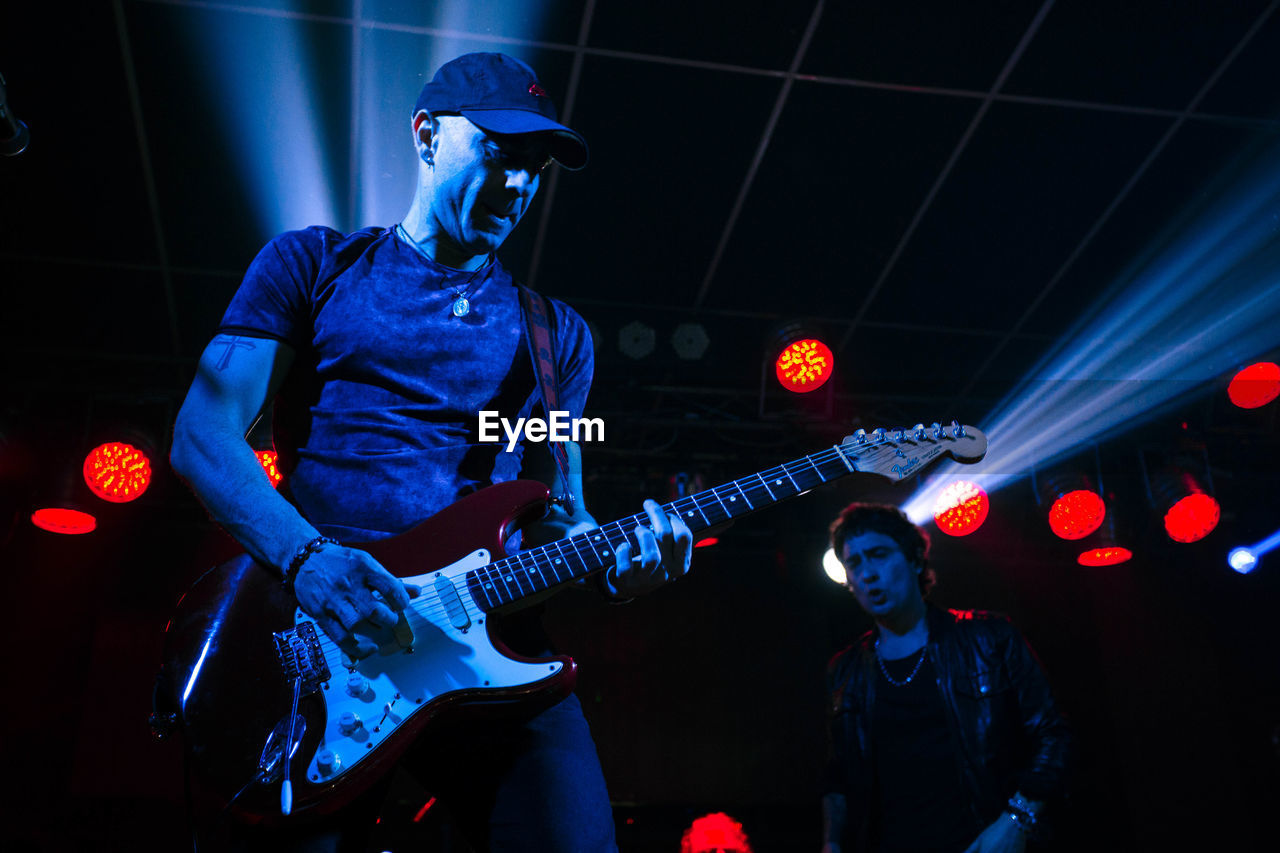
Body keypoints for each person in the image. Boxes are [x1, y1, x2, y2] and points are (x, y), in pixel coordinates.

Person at [170, 51, 693, 851]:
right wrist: (310, 560)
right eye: (498, 153)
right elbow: (202, 437)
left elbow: (562, 514)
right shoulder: (312, 265)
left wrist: (623, 562)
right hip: (326, 633)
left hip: (489, 642)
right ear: (426, 135)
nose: (518, 185)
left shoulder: (559, 337)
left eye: (535, 169)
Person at [821, 504, 1070, 853]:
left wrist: (1016, 821)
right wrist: (831, 843)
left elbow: (1052, 735)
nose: (867, 573)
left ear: (915, 560)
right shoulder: (845, 670)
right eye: (855, 563)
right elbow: (838, 776)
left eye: (878, 555)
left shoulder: (988, 638)